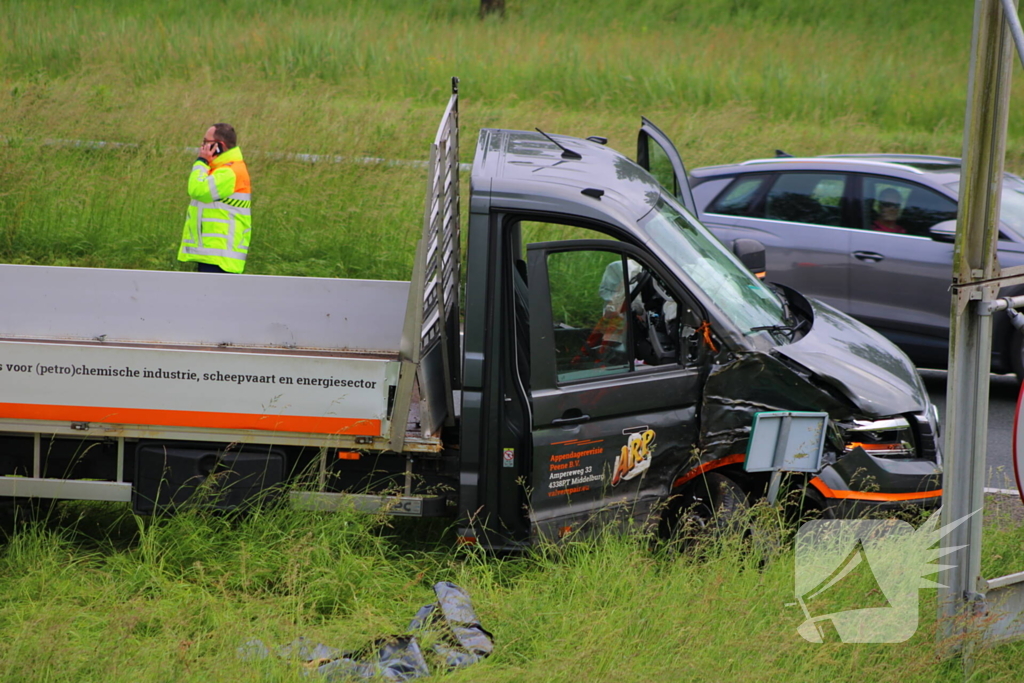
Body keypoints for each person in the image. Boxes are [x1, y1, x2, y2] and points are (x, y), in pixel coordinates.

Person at [178, 123, 252, 273]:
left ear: (220, 145)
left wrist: (201, 162)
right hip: (214, 253)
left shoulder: (228, 172)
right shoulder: (219, 170)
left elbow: (198, 190)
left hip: (220, 254)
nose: (202, 147)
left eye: (206, 142)